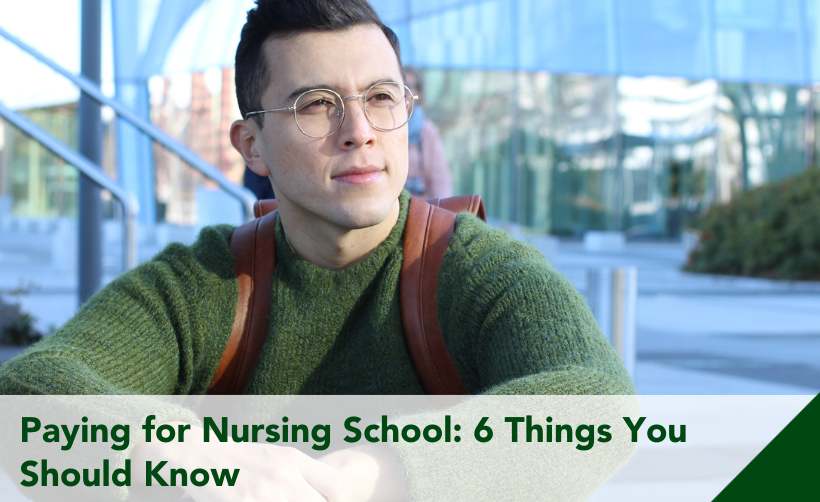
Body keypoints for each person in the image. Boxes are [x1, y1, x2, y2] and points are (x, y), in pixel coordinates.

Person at [0, 0, 634, 500]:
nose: (359, 133)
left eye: (382, 98)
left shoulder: (475, 266)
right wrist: (200, 462)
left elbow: (599, 405)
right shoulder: (206, 282)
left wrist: (371, 476)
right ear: (252, 146)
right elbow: (25, 398)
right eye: (316, 105)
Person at [403, 67, 452, 199]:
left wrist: (444, 214)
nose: (403, 92)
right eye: (398, 86)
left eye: (407, 87)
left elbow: (440, 180)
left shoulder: (427, 131)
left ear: (419, 95)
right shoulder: (382, 128)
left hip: (419, 212)